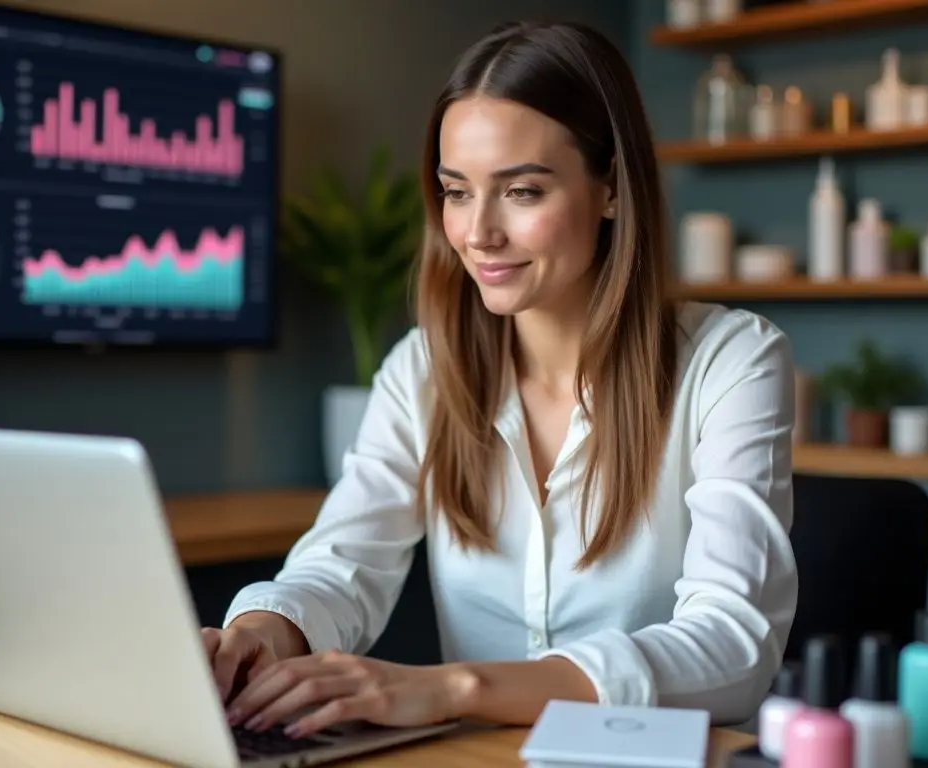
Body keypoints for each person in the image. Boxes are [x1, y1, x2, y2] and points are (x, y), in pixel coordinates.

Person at [205, 19, 799, 740]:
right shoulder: (423, 369)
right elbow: (341, 565)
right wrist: (263, 633)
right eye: (457, 192)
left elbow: (734, 650)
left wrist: (456, 688)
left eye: (520, 192)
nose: (478, 232)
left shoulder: (732, 361)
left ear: (610, 187)